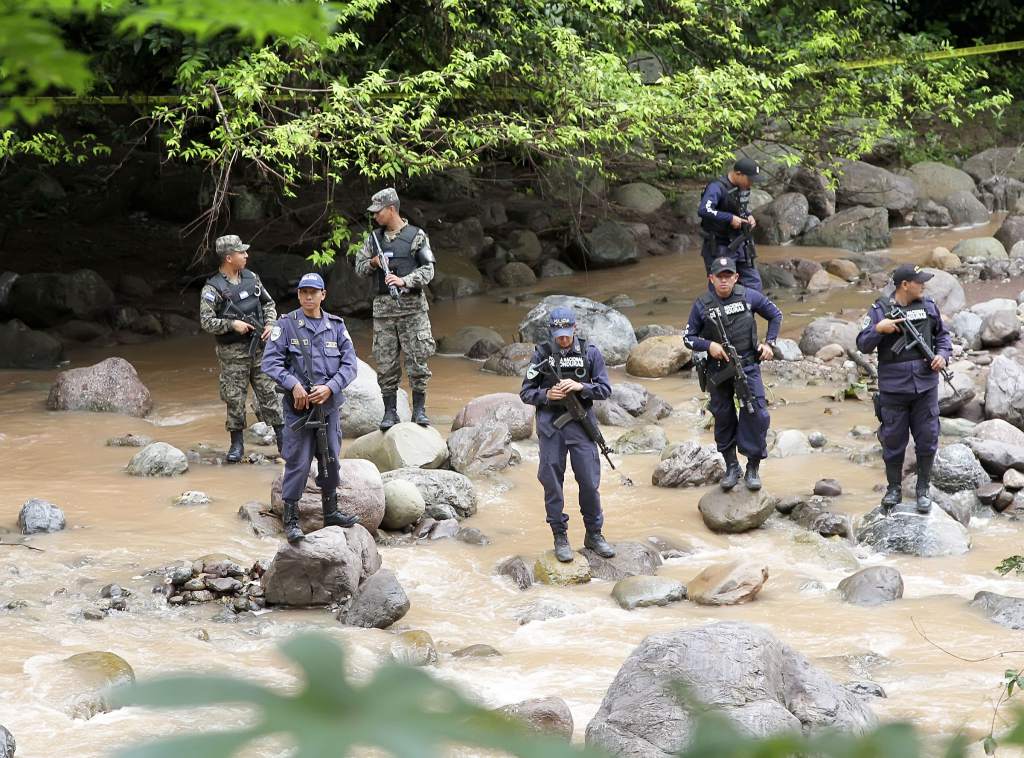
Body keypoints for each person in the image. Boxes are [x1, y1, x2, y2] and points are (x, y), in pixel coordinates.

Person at [261, 273, 360, 543]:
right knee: (298, 462)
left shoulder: (337, 326)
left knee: (330, 459)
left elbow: (350, 365)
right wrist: (293, 384)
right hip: (298, 410)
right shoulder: (287, 325)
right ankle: (291, 520)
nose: (308, 296)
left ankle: (331, 511)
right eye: (303, 292)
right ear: (298, 295)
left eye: (313, 292)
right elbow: (270, 363)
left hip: (328, 407)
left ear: (323, 295)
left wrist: (330, 387)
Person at [519, 306, 616, 563]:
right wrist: (547, 395)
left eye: (567, 333)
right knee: (552, 484)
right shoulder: (541, 354)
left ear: (575, 328)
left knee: (589, 482)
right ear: (551, 331)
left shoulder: (590, 353)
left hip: (582, 426)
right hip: (551, 428)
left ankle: (594, 534)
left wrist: (581, 387)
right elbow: (526, 393)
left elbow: (605, 389)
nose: (563, 339)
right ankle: (559, 535)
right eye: (558, 334)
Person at [856, 264, 952, 514]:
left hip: (925, 388)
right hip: (894, 390)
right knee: (893, 442)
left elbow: (943, 337)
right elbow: (862, 343)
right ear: (904, 285)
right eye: (919, 281)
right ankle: (894, 489)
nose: (924, 285)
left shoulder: (929, 307)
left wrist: (942, 356)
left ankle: (923, 490)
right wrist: (879, 329)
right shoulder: (880, 310)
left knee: (928, 439)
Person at [684, 257, 782, 491]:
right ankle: (731, 466)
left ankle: (752, 467)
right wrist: (709, 346)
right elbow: (687, 338)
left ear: (736, 277)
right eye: (720, 277)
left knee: (757, 414)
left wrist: (769, 344)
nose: (724, 281)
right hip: (717, 371)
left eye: (728, 276)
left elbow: (775, 315)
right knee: (723, 415)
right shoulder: (702, 304)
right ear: (712, 279)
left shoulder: (749, 296)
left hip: (747, 365)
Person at [354, 188, 436, 431]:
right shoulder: (373, 239)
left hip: (413, 311)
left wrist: (404, 281)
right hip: (384, 313)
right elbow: (359, 269)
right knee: (386, 363)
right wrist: (372, 263)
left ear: (391, 209)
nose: (375, 217)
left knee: (418, 361)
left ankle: (419, 410)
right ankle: (390, 412)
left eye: (378, 212)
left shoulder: (416, 236)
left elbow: (428, 271)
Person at [199, 234, 283, 462]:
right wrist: (231, 324)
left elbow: (268, 304)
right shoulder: (212, 289)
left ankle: (284, 440)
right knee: (234, 398)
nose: (246, 255)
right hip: (232, 352)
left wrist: (270, 323)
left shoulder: (252, 278)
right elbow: (206, 322)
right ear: (229, 257)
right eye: (241, 252)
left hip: (260, 348)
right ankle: (237, 444)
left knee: (270, 392)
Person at [697, 157, 765, 292]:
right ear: (738, 174)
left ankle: (749, 312)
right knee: (722, 289)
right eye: (750, 180)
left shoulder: (740, 187)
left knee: (754, 285)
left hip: (741, 245)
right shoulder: (716, 187)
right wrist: (730, 218)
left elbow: (737, 207)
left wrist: (748, 215)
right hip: (720, 246)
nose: (751, 184)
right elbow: (704, 210)